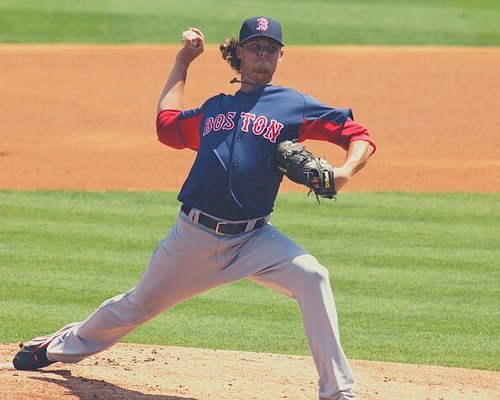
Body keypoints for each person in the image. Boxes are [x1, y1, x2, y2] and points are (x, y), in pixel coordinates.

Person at [13, 16, 375, 400]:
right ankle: (53, 348)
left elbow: (359, 135)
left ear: (281, 55)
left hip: (254, 240)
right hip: (193, 238)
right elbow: (166, 126)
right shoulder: (214, 109)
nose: (263, 53)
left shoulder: (293, 105)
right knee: (134, 307)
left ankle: (338, 393)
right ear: (239, 54)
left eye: (270, 48)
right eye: (255, 46)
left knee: (313, 276)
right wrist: (183, 61)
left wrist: (344, 173)